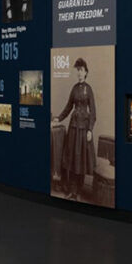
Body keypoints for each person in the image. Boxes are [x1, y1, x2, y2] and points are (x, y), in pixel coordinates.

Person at [52, 58, 96, 200]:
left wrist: (90, 130)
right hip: (73, 127)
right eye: (78, 70)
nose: (79, 73)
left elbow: (93, 112)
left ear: (86, 72)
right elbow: (68, 106)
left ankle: (78, 190)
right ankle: (71, 190)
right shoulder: (74, 88)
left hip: (83, 129)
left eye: (81, 70)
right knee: (71, 158)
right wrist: (58, 118)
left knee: (81, 160)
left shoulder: (88, 89)